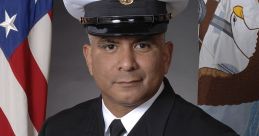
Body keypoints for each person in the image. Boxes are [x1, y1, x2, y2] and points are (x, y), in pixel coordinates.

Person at [39, 0, 239, 135]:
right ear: (89, 58)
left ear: (166, 56)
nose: (127, 63)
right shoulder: (58, 129)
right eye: (110, 46)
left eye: (142, 45)